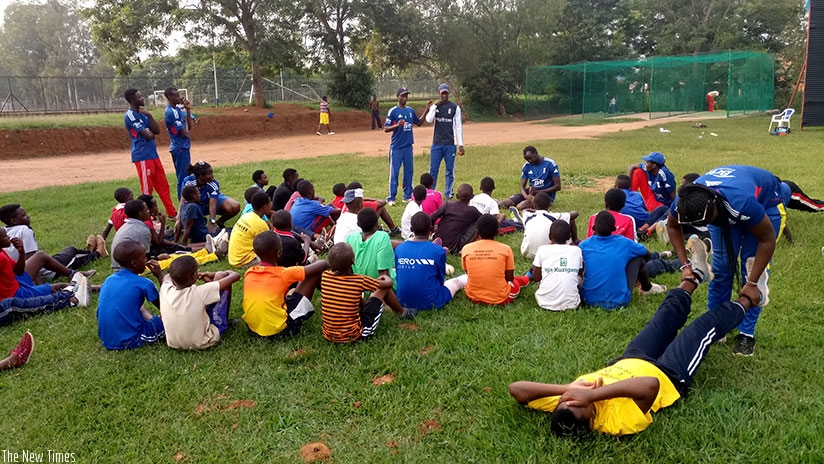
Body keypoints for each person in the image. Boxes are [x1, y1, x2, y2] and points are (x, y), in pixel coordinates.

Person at [507, 252, 761, 437]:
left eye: (567, 400)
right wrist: (592, 395)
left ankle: (693, 275)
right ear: (593, 421)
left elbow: (516, 389)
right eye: (583, 404)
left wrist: (569, 389)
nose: (574, 398)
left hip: (631, 358)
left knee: (666, 314)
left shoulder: (567, 403)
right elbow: (649, 385)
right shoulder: (617, 423)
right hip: (670, 374)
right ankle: (751, 296)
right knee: (703, 328)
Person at [665, 165, 785, 356]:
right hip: (725, 208)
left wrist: (752, 283)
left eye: (706, 220)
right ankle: (716, 327)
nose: (705, 226)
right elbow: (672, 226)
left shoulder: (741, 202)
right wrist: (686, 266)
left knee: (751, 267)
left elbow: (767, 239)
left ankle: (746, 334)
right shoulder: (685, 199)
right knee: (721, 269)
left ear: (713, 204)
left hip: (764, 204)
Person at [242, 231, 329, 338]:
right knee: (312, 274)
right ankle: (332, 302)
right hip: (280, 331)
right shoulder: (283, 273)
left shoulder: (249, 272)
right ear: (279, 253)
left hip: (253, 329)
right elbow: (323, 264)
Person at [320, 242, 408, 343]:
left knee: (355, 294)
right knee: (383, 288)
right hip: (354, 335)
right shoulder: (359, 281)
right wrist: (384, 277)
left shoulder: (325, 276)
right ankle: (402, 312)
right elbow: (388, 284)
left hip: (329, 335)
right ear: (353, 261)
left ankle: (397, 312)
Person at [580, 211, 667, 310]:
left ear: (594, 228)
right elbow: (646, 253)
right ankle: (646, 288)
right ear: (614, 229)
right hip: (619, 301)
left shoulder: (584, 245)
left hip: (587, 300)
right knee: (638, 258)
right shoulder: (623, 242)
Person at [0, 204, 102, 284]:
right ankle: (97, 253)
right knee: (72, 253)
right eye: (24, 215)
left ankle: (89, 250)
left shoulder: (3, 232)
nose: (28, 216)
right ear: (13, 220)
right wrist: (39, 285)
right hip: (45, 272)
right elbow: (31, 258)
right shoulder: (24, 230)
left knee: (62, 254)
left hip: (20, 272)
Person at [1, 228, 83, 326]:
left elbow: (18, 272)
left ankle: (72, 274)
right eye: (5, 236)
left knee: (40, 256)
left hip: (16, 281)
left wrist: (21, 252)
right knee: (58, 287)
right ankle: (95, 288)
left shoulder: (2, 251)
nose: (9, 237)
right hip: (15, 294)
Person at [159, 256, 241, 350]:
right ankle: (224, 322)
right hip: (203, 342)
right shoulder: (199, 292)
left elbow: (167, 276)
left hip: (174, 343)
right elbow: (235, 276)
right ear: (194, 276)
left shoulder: (166, 289)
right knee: (221, 275)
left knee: (214, 285)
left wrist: (185, 274)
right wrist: (218, 273)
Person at [96, 241, 165, 350]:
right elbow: (166, 308)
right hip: (132, 339)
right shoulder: (144, 283)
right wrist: (160, 276)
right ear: (134, 263)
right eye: (143, 258)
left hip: (107, 339)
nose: (146, 260)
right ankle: (149, 323)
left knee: (137, 306)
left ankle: (148, 320)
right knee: (169, 319)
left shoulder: (109, 280)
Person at [123, 88, 177, 218]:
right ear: (132, 100)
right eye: (139, 96)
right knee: (147, 190)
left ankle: (171, 213)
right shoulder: (130, 115)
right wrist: (149, 132)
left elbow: (156, 131)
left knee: (163, 186)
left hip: (153, 155)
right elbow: (147, 135)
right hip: (142, 157)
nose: (142, 98)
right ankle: (148, 217)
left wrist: (150, 116)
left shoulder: (143, 114)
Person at [395, 212, 466, 310]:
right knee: (456, 282)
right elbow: (441, 280)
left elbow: (399, 275)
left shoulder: (399, 249)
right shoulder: (439, 251)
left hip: (401, 300)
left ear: (411, 229)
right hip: (431, 302)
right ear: (431, 230)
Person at [460, 214, 530, 305]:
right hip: (500, 298)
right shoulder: (506, 249)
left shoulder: (466, 249)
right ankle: (527, 277)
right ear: (497, 232)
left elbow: (467, 272)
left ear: (477, 232)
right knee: (516, 281)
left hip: (472, 296)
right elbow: (509, 278)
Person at [384, 87, 431, 205]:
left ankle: (407, 195)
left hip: (408, 147)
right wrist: (396, 126)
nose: (405, 98)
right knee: (394, 173)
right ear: (397, 96)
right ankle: (391, 198)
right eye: (402, 96)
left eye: (406, 96)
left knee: (409, 172)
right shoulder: (393, 111)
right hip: (396, 147)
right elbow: (385, 128)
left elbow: (419, 123)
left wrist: (426, 110)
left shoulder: (410, 110)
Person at [530, 220, 584, 311]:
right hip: (572, 304)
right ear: (569, 237)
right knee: (578, 278)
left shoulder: (543, 250)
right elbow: (579, 272)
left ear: (549, 236)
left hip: (544, 302)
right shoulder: (576, 250)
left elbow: (536, 277)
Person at [425, 83, 464, 199]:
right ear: (439, 93)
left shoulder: (454, 107)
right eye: (442, 93)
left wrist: (460, 144)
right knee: (433, 169)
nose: (444, 96)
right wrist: (433, 107)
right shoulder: (435, 107)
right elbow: (428, 120)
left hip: (450, 144)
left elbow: (458, 127)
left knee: (450, 170)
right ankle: (431, 191)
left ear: (449, 93)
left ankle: (448, 192)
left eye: (446, 93)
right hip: (437, 143)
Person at [182, 160, 241, 234]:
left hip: (210, 202)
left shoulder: (213, 183)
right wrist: (179, 219)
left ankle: (218, 223)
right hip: (196, 205)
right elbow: (183, 200)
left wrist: (212, 222)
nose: (212, 176)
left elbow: (213, 204)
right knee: (191, 210)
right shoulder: (189, 182)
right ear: (201, 176)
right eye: (209, 174)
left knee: (234, 206)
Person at [499, 146, 561, 211]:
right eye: (527, 159)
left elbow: (557, 187)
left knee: (520, 206)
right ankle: (495, 202)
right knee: (503, 204)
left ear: (536, 153)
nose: (530, 161)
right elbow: (522, 187)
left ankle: (524, 206)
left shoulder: (550, 164)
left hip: (544, 194)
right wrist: (527, 196)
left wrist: (538, 192)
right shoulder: (527, 166)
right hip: (531, 192)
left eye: (531, 158)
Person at [521, 192, 578, 259]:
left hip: (527, 253)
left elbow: (524, 210)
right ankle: (576, 241)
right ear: (549, 205)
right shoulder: (554, 216)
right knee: (570, 219)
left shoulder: (527, 216)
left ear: (534, 205)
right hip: (549, 253)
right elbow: (575, 213)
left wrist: (533, 209)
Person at [431, 184, 483, 254]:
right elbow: (484, 220)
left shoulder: (447, 205)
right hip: (454, 246)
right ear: (472, 197)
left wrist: (431, 230)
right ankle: (462, 248)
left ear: (457, 196)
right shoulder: (472, 211)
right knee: (477, 222)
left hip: (437, 239)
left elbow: (432, 218)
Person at [615, 174, 669, 240]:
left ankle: (644, 230)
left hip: (629, 223)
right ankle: (648, 230)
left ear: (617, 186)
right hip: (644, 220)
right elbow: (646, 209)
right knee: (664, 209)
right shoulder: (636, 194)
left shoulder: (616, 196)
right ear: (630, 186)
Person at [228, 191, 273, 268]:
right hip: (244, 261)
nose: (271, 205)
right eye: (270, 203)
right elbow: (268, 246)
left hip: (233, 258)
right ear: (265, 207)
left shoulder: (246, 216)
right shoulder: (260, 224)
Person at [163, 87, 193, 200]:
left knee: (184, 176)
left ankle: (184, 201)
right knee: (183, 177)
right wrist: (184, 121)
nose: (179, 97)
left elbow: (188, 127)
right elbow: (184, 133)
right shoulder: (172, 112)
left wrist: (188, 110)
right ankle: (183, 203)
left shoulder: (177, 110)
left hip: (181, 147)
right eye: (175, 95)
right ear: (169, 97)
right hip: (180, 147)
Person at [111, 200, 153, 270]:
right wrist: (157, 258)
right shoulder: (143, 230)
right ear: (140, 214)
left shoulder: (126, 225)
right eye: (146, 210)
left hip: (117, 264)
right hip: (125, 267)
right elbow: (146, 257)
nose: (149, 212)